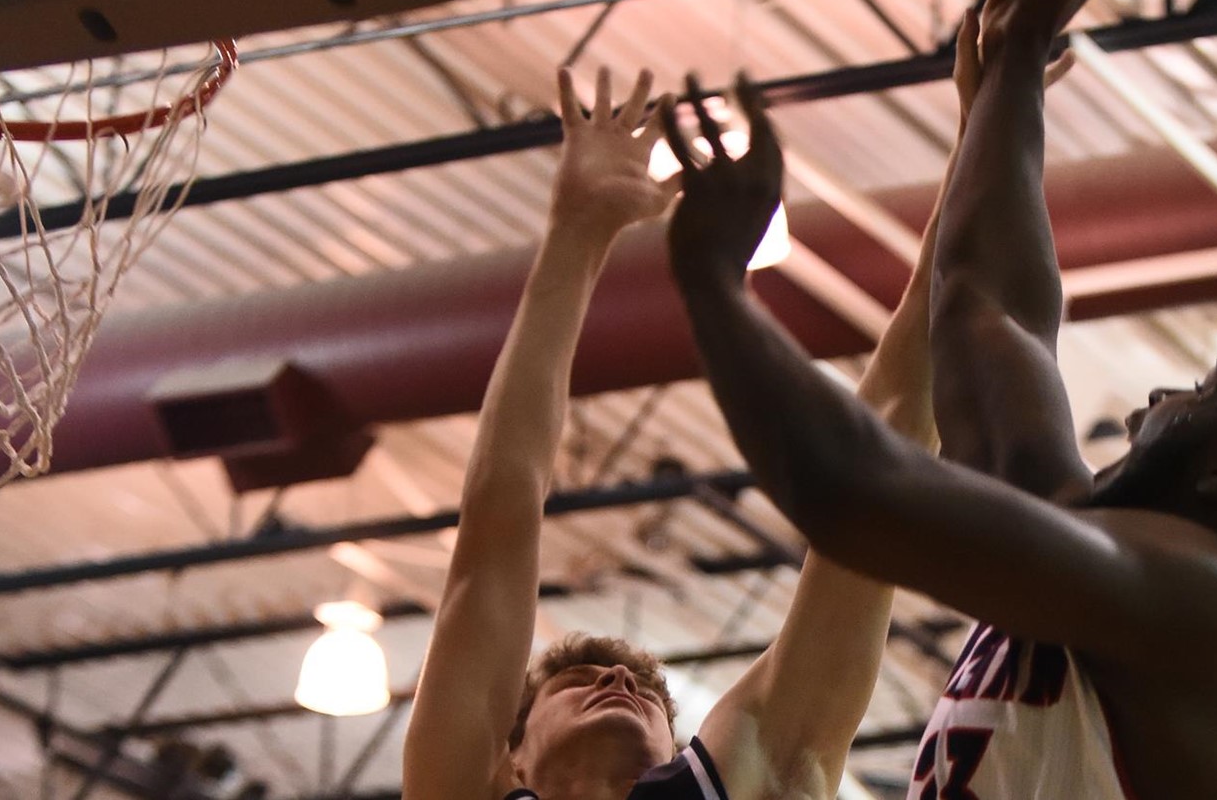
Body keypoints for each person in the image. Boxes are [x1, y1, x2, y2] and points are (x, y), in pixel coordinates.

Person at [662, 0, 1217, 800]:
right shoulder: (1104, 566)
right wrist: (1013, 72)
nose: (1157, 399)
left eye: (1212, 391)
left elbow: (850, 488)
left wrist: (714, 283)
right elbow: (990, 316)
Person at [403, 65, 951, 800]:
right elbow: (501, 514)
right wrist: (576, 232)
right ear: (513, 760)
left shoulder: (749, 772)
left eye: (647, 697)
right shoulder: (462, 789)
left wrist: (989, 136)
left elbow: (891, 451)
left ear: (674, 747)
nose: (621, 679)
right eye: (575, 682)